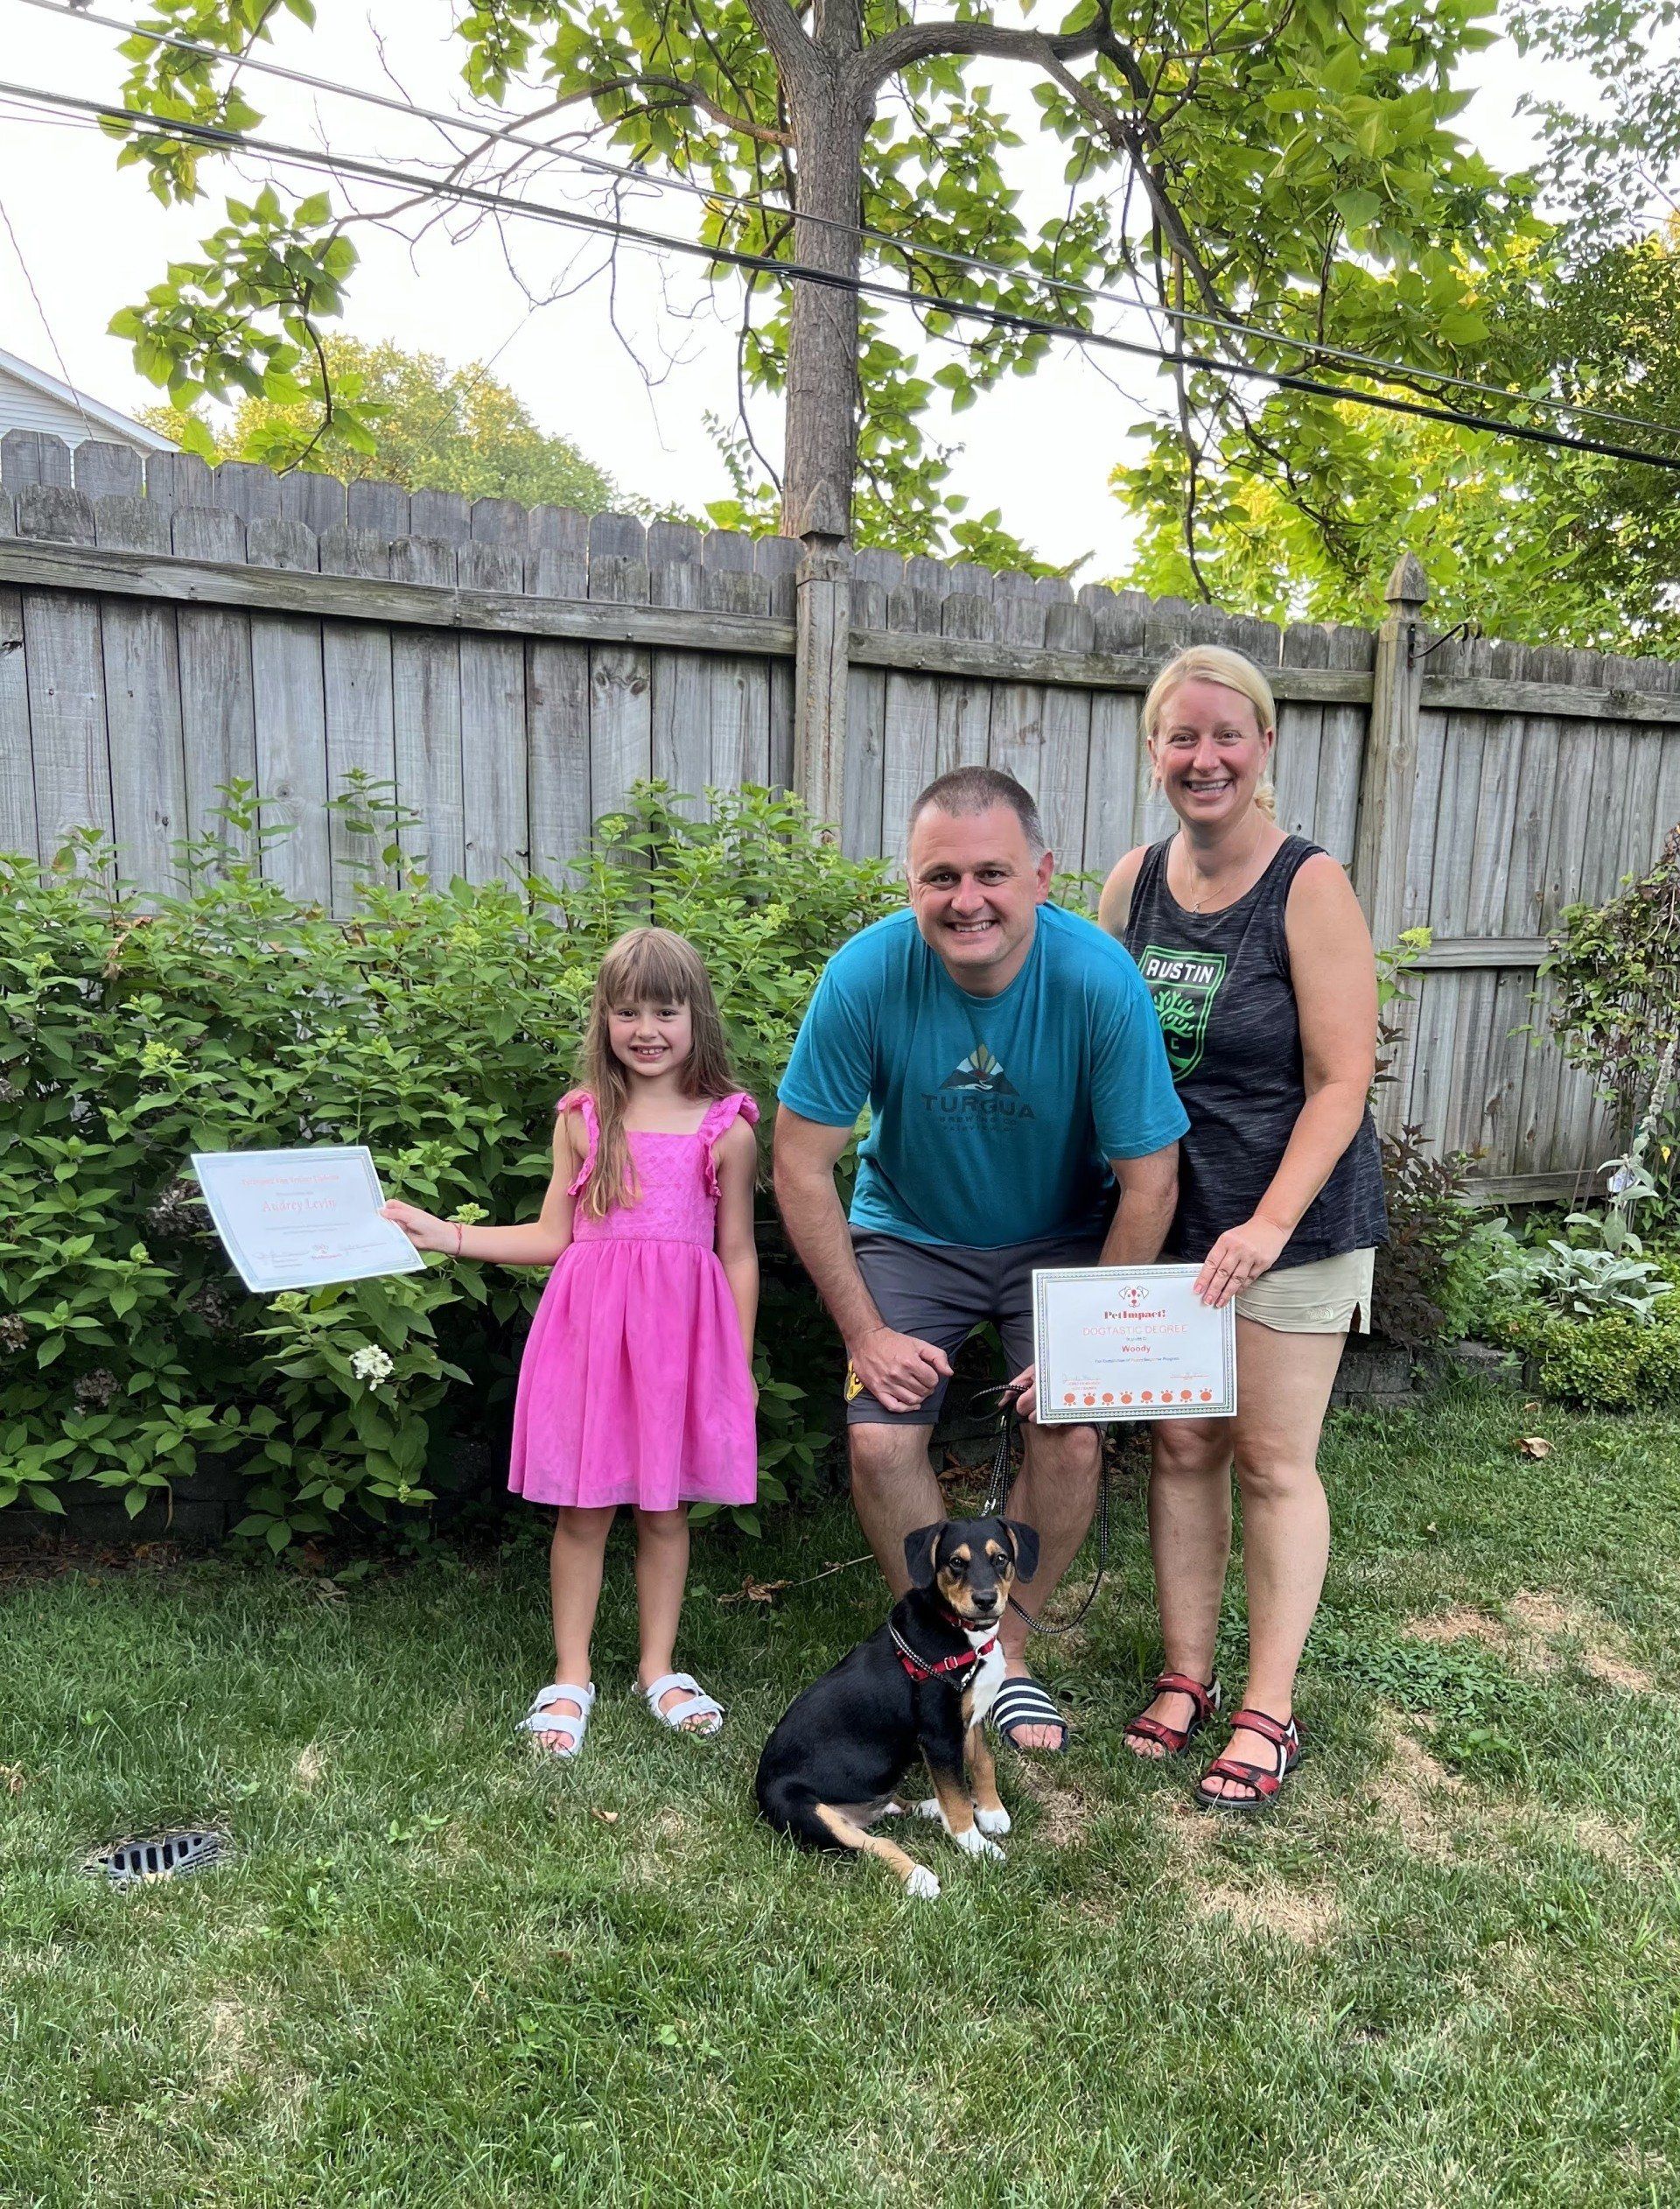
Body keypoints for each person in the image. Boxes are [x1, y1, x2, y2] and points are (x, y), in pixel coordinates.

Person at [774, 767, 1187, 1755]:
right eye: (941, 877)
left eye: (992, 873)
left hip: (1064, 1236)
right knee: (880, 1443)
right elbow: (797, 1163)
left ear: (1041, 876)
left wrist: (1089, 1342)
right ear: (910, 883)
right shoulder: (866, 975)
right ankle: (946, 1650)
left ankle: (1012, 1658)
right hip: (911, 1231)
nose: (967, 900)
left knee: (1071, 1434)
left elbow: (1152, 1181)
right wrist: (864, 1333)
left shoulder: (1098, 980)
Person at [1098, 644, 1387, 1811]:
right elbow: (1107, 1051)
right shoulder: (1133, 884)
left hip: (1293, 1223)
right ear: (1154, 751)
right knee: (1182, 1448)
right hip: (1175, 1217)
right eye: (1183, 736)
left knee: (1270, 1461)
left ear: (1265, 745)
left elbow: (1343, 1078)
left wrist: (1268, 1223)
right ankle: (1187, 1674)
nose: (1205, 757)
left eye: (1228, 735)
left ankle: (1269, 1705)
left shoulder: (1308, 885)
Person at [383, 926, 760, 1759]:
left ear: (697, 1016)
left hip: (679, 1351)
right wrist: (445, 1235)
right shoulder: (584, 1119)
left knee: (665, 1510)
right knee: (582, 1511)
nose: (647, 1030)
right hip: (591, 1342)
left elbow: (737, 1254)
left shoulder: (727, 1128)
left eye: (665, 1011)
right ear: (604, 1019)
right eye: (628, 1012)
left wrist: (733, 1364)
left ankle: (658, 1668)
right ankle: (572, 1673)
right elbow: (553, 1236)